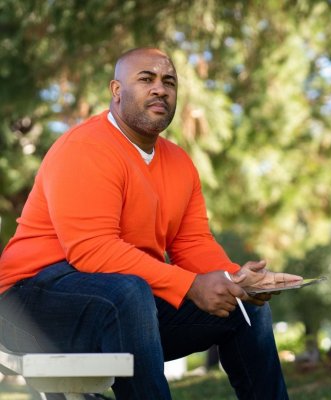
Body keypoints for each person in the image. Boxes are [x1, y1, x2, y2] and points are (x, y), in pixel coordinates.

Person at [0, 47, 302, 400]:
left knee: (243, 305)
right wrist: (191, 285)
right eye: (146, 79)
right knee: (130, 291)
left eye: (169, 82)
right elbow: (92, 251)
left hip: (124, 302)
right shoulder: (85, 147)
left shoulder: (179, 163)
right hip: (25, 302)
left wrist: (235, 279)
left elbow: (192, 244)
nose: (160, 89)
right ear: (116, 91)